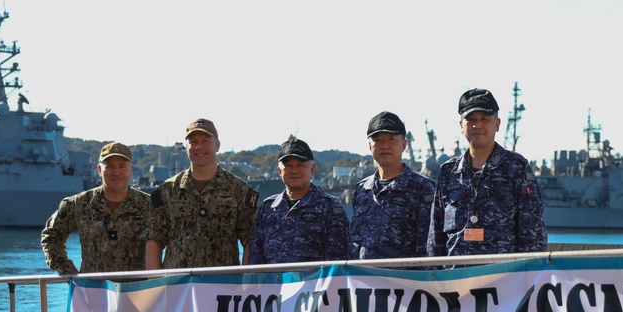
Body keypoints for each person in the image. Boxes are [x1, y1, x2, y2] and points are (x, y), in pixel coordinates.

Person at [428, 88, 547, 256]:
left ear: (497, 124)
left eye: (485, 119)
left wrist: (527, 275)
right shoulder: (448, 171)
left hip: (502, 277)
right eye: (471, 119)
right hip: (454, 277)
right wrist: (434, 277)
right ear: (461, 125)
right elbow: (436, 234)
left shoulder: (516, 168)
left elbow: (532, 231)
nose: (478, 125)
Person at [145, 118, 258, 269]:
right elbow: (154, 239)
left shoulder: (238, 190)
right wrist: (156, 285)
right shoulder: (168, 190)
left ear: (217, 146)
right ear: (186, 147)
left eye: (205, 141)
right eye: (193, 142)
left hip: (223, 286)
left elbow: (250, 239)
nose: (199, 147)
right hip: (177, 286)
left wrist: (245, 284)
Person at [41, 142, 152, 275]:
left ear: (131, 170)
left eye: (122, 166)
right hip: (93, 290)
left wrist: (160, 276)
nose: (116, 172)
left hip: (138, 290)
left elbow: (170, 238)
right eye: (109, 166)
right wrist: (67, 269)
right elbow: (51, 236)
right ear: (99, 170)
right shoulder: (79, 204)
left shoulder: (149, 205)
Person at [248, 136, 349, 264]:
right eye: (288, 166)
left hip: (314, 283)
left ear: (312, 169)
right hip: (274, 283)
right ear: (279, 171)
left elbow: (337, 261)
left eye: (300, 165)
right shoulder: (268, 208)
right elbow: (256, 257)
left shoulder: (329, 206)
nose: (294, 170)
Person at [350, 111, 436, 260]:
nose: (385, 146)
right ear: (370, 145)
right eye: (378, 140)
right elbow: (355, 242)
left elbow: (428, 246)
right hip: (364, 279)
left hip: (404, 280)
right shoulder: (362, 190)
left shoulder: (423, 188)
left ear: (403, 144)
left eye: (391, 139)